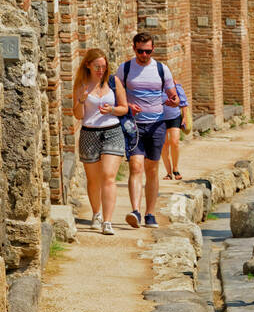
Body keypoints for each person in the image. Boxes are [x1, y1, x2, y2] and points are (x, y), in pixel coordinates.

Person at [116, 32, 179, 228]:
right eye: (141, 51)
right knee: (135, 166)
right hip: (134, 125)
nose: (144, 55)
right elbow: (116, 92)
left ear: (153, 50)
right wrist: (127, 106)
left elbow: (173, 94)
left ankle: (150, 213)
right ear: (134, 48)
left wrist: (173, 100)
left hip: (157, 124)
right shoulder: (125, 68)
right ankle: (135, 211)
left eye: (148, 51)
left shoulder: (161, 69)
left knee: (152, 170)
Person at [72, 48, 129, 234]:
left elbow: (124, 108)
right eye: (97, 66)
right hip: (89, 134)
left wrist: (112, 109)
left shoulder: (113, 82)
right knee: (93, 180)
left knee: (108, 176)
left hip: (113, 131)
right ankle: (96, 214)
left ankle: (107, 221)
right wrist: (81, 101)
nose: (101, 70)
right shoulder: (81, 84)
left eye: (104, 66)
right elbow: (78, 115)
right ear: (88, 65)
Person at [161, 80, 189, 181]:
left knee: (175, 141)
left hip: (174, 117)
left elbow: (183, 102)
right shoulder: (154, 83)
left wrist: (185, 117)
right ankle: (168, 173)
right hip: (159, 118)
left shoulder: (175, 84)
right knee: (164, 145)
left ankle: (175, 169)